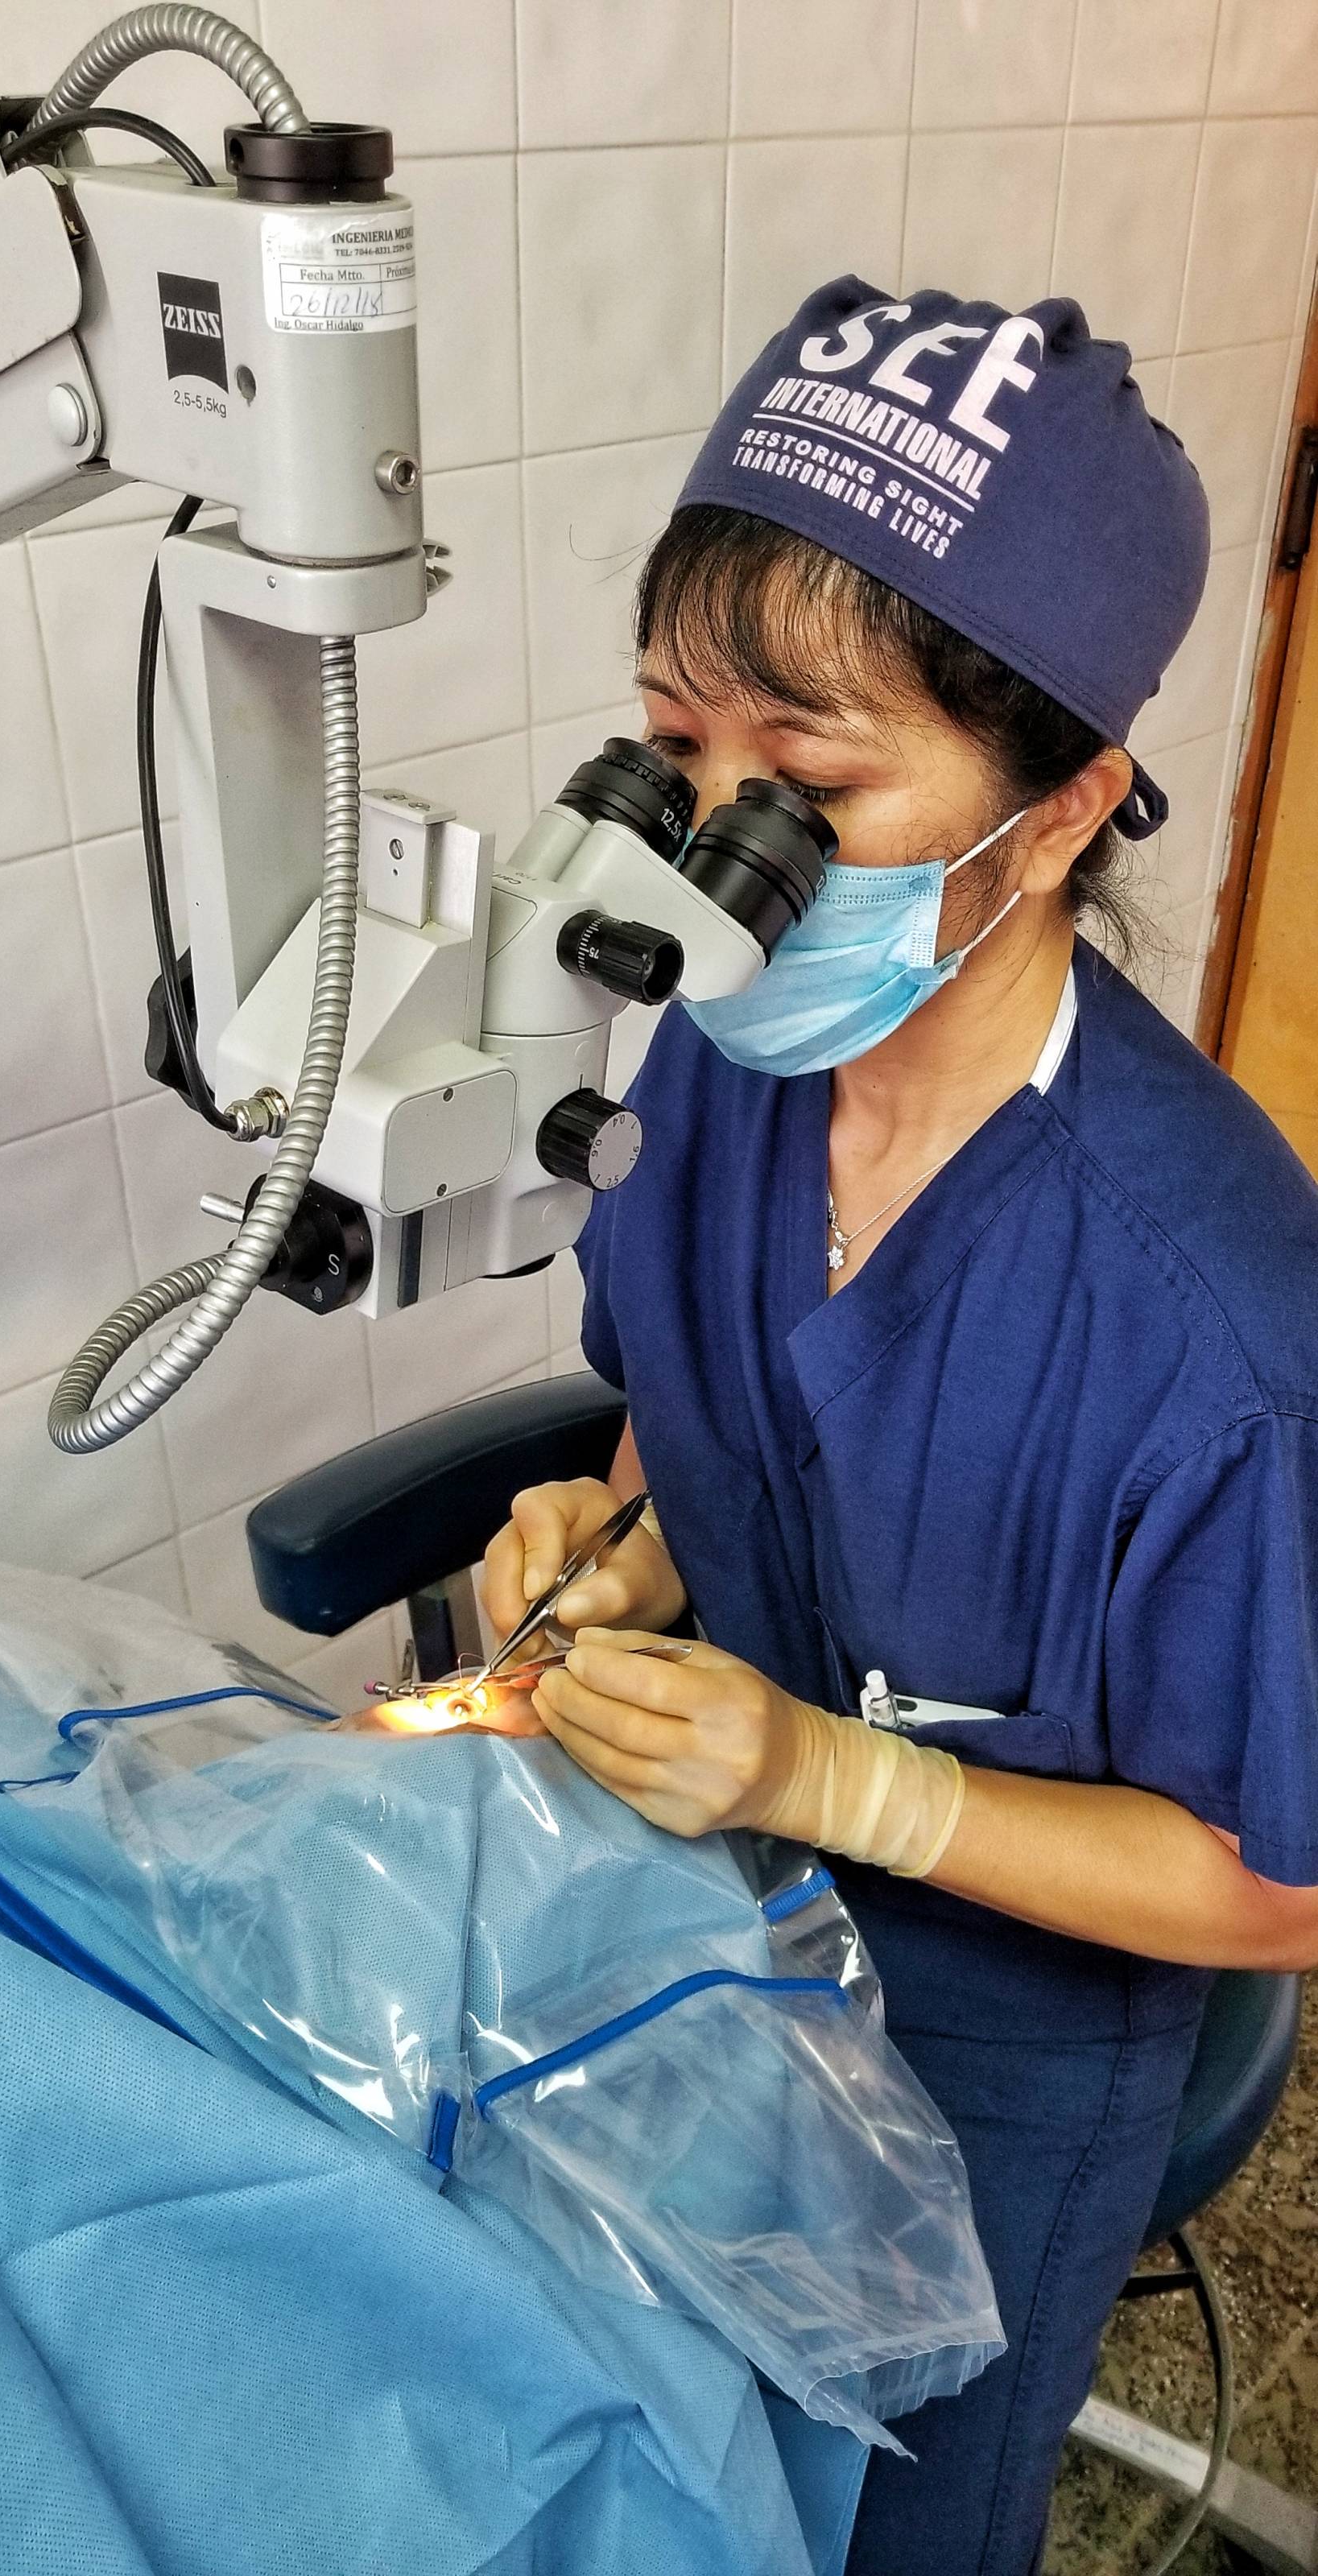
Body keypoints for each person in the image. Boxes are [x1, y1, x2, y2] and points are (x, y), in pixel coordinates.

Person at [481, 279, 1318, 2576]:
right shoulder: (727, 1054)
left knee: (888, 2529)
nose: (712, 847)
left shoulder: (1216, 1326)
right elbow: (704, 1401)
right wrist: (623, 1545)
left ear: (1058, 816)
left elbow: (1280, 1881)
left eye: (816, 791)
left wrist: (842, 1784)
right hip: (707, 1918)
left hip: (1003, 2054)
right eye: (675, 751)